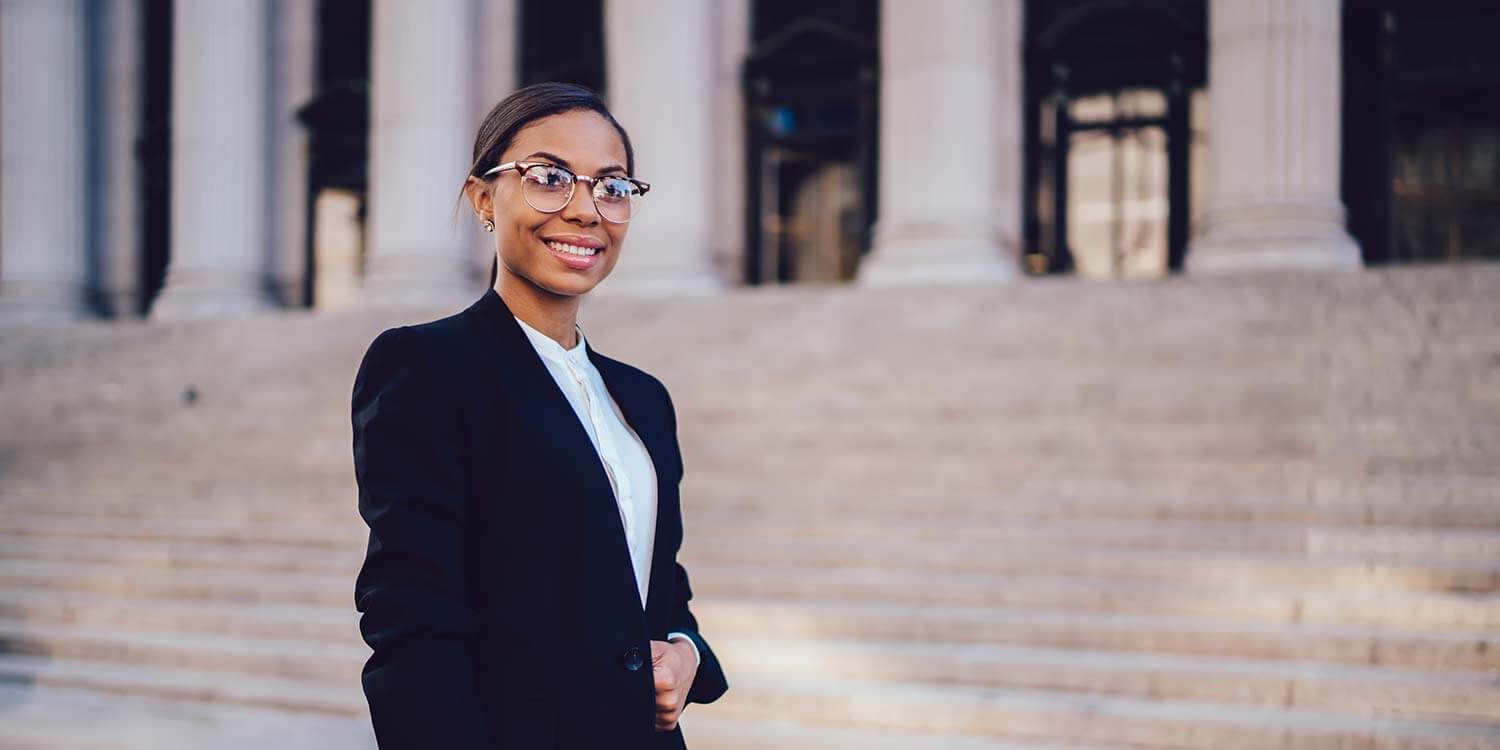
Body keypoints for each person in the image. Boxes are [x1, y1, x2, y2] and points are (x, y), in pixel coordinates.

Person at [351, 82, 728, 749]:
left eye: (611, 187)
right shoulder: (426, 369)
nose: (585, 210)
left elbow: (662, 590)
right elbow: (413, 629)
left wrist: (687, 653)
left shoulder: (642, 398)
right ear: (482, 198)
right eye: (550, 178)